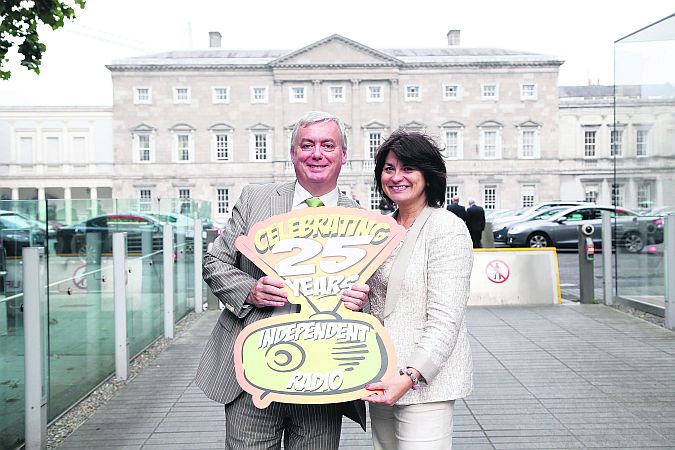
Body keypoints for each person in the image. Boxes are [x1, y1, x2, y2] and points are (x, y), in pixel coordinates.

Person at [195, 111, 368, 449]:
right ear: (293, 154)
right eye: (307, 145)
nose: (316, 153)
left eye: (327, 145)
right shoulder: (256, 200)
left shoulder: (361, 220)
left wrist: (360, 300)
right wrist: (250, 290)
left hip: (324, 377)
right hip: (251, 370)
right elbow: (214, 261)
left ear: (343, 155)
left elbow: (372, 297)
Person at [362, 130, 474, 449]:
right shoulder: (380, 230)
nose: (397, 177)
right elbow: (378, 306)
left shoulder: (446, 228)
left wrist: (411, 375)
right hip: (382, 374)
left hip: (424, 382)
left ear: (428, 174)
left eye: (408, 168)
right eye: (389, 168)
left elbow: (446, 319)